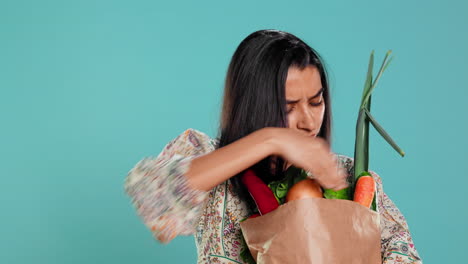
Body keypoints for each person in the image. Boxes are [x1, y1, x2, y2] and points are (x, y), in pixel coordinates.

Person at [124, 29, 422, 263]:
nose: (308, 121)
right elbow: (152, 200)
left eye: (316, 101)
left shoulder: (352, 177)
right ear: (253, 107)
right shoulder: (213, 166)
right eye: (288, 106)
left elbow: (402, 253)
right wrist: (272, 139)